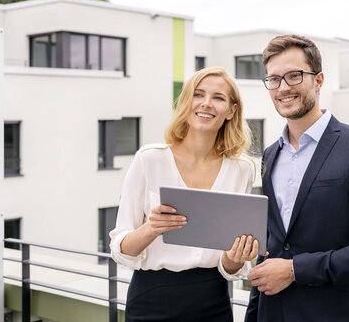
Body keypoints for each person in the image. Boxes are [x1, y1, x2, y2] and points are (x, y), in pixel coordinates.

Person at [244, 34, 349, 322]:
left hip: (333, 314)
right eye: (274, 79)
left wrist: (293, 271)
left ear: (318, 80)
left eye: (294, 76)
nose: (283, 88)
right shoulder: (270, 155)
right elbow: (270, 250)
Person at [109, 66, 259, 322]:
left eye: (218, 98)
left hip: (213, 301)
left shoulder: (242, 168)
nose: (206, 104)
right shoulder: (149, 159)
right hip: (151, 299)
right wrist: (151, 229)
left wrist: (236, 259)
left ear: (231, 110)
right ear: (187, 102)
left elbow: (229, 267)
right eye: (198, 95)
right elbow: (120, 249)